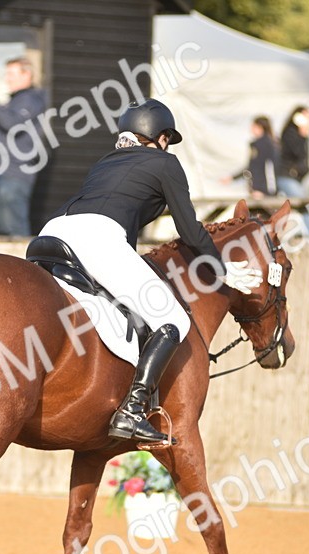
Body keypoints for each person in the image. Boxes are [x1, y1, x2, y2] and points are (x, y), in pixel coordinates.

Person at [36, 99, 259, 445]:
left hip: (52, 234)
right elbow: (189, 229)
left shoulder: (105, 162)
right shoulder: (165, 163)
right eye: (167, 138)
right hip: (96, 239)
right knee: (174, 320)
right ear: (156, 135)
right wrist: (219, 269)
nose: (168, 145)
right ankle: (133, 410)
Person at [0, 57, 48, 236]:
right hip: (3, 174)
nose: (7, 78)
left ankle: (23, 264)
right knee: (5, 232)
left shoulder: (31, 99)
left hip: (14, 175)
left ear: (27, 74)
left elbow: (12, 123)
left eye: (11, 73)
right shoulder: (17, 100)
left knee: (16, 233)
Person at [225, 116, 280, 198]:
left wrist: (265, 191)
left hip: (263, 192)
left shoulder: (266, 145)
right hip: (256, 191)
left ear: (260, 128)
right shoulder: (259, 144)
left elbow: (269, 169)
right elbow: (251, 168)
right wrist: (233, 178)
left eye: (253, 126)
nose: (251, 129)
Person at [277, 106, 309, 198]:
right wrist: (303, 136)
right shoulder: (290, 133)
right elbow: (297, 152)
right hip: (287, 175)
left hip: (296, 177)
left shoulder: (301, 136)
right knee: (304, 206)